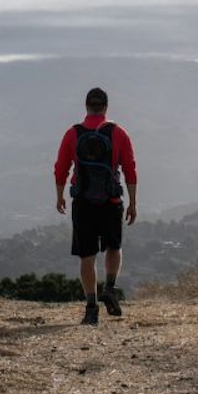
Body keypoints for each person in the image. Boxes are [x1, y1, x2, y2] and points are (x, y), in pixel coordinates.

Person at [54, 87, 137, 325]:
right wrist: (133, 202)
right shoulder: (118, 133)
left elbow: (61, 167)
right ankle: (110, 288)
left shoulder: (73, 133)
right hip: (111, 201)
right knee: (114, 246)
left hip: (83, 202)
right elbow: (130, 168)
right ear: (106, 107)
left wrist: (60, 196)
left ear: (87, 107)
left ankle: (91, 307)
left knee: (87, 256)